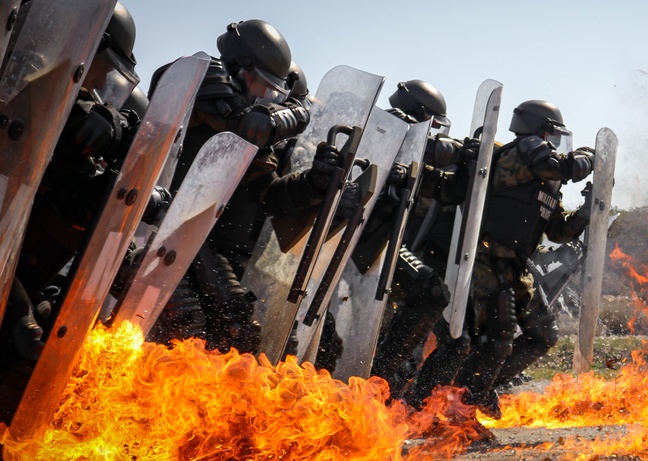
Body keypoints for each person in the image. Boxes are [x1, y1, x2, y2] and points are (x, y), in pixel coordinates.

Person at [147, 20, 341, 356]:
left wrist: (315, 184)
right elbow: (235, 116)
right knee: (186, 333)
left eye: (272, 94)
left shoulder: (247, 129)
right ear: (238, 67)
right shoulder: (196, 76)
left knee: (238, 330)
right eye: (261, 87)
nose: (264, 101)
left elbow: (270, 194)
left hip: (200, 244)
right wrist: (284, 116)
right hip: (151, 232)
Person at [404, 100, 595, 417]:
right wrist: (589, 158)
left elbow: (559, 231)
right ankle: (456, 410)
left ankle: (477, 391)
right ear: (539, 129)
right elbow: (562, 166)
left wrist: (588, 212)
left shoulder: (544, 181)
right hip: (488, 260)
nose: (554, 142)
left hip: (518, 267)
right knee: (497, 339)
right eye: (551, 134)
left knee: (542, 335)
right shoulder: (521, 153)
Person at [0, 1, 144, 422]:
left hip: (16, 262)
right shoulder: (20, 80)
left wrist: (117, 128)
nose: (99, 81)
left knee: (48, 338)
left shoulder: (68, 107)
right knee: (23, 331)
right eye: (103, 66)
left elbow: (68, 202)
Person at [359, 80, 476, 396]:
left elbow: (448, 190)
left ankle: (378, 382)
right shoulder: (379, 128)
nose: (434, 135)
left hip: (383, 248)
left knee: (432, 292)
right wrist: (440, 147)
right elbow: (408, 138)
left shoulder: (411, 156)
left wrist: (468, 162)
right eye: (431, 127)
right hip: (345, 242)